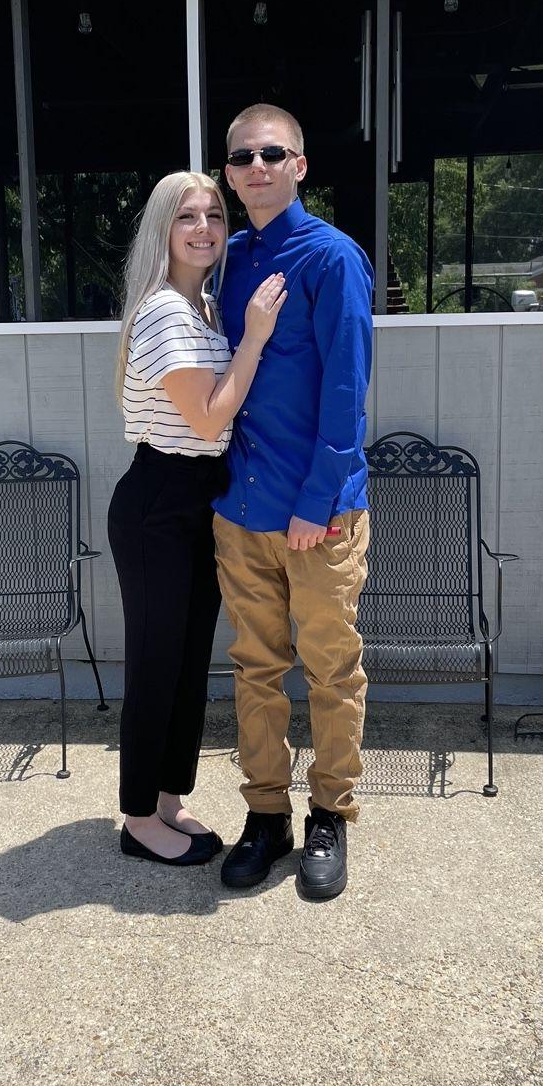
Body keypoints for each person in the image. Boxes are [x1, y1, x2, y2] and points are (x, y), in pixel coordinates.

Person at [211, 105, 374, 900]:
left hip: (318, 517)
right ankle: (266, 815)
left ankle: (330, 814)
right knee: (255, 671)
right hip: (242, 512)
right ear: (229, 172)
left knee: (331, 670)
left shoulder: (332, 257)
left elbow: (346, 392)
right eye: (242, 156)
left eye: (272, 153)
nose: (257, 166)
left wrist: (317, 501)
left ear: (299, 166)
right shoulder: (226, 260)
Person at [108, 171, 287, 866]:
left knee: (186, 661)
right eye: (188, 216)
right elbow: (210, 417)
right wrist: (257, 337)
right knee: (156, 662)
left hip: (199, 496)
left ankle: (167, 799)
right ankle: (137, 818)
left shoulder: (204, 307)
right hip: (159, 499)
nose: (205, 228)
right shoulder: (163, 311)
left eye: (214, 214)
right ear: (164, 228)